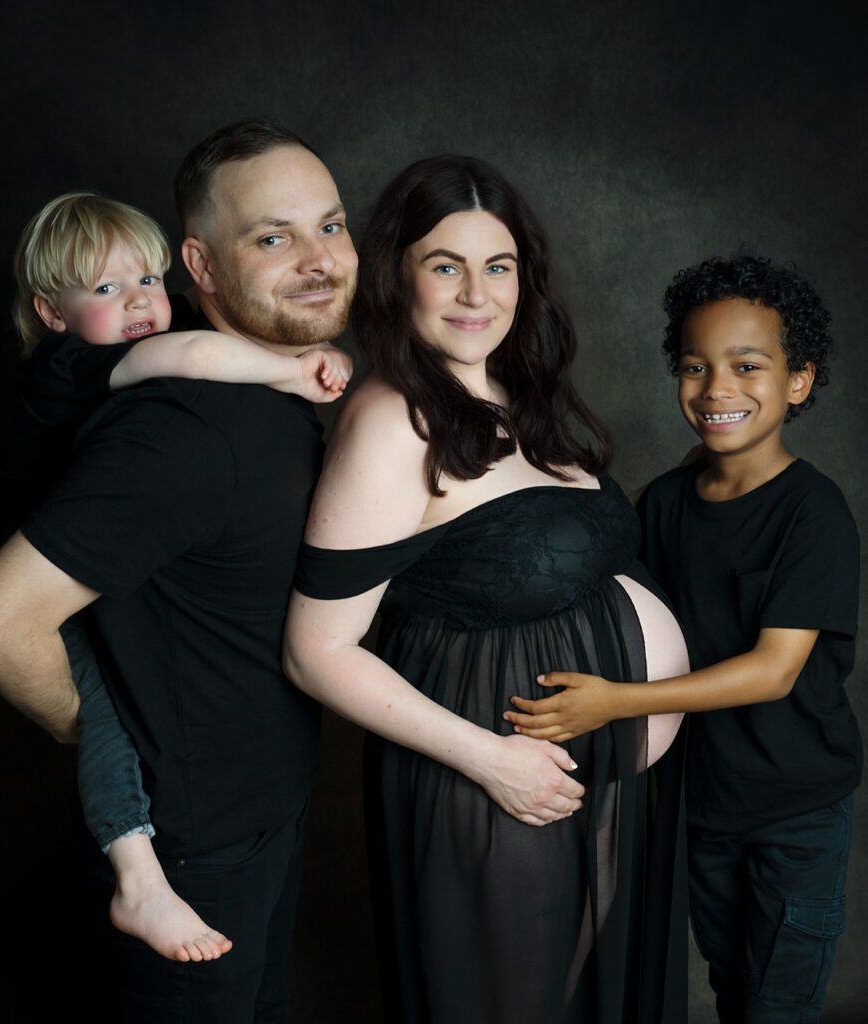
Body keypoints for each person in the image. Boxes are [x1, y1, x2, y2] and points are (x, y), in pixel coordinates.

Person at [0, 118, 356, 1023]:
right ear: (204, 266)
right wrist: (98, 729)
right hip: (195, 841)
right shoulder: (177, 427)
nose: (320, 258)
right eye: (272, 236)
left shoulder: (247, 397)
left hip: (262, 808)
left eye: (331, 225)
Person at [283, 155, 688, 1024]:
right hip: (495, 783)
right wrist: (492, 760)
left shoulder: (520, 393)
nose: (476, 293)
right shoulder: (393, 420)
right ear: (399, 275)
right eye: (445, 265)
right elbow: (315, 651)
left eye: (496, 266)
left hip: (588, 786)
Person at [506, 255, 862, 1023]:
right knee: (731, 987)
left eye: (747, 366)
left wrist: (617, 704)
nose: (716, 389)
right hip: (701, 806)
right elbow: (603, 581)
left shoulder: (814, 513)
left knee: (774, 1007)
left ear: (798, 381)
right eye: (696, 366)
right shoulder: (665, 501)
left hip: (794, 812)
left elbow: (773, 671)